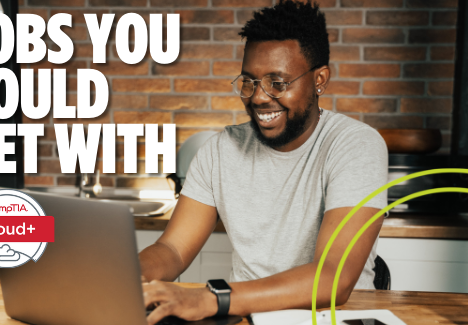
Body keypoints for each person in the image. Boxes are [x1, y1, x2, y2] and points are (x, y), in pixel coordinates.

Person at [140, 1, 388, 324]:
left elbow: (332, 278)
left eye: (277, 83)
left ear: (319, 80)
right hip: (245, 319)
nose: (258, 97)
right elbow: (172, 249)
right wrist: (129, 276)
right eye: (250, 81)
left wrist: (214, 298)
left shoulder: (356, 146)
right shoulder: (220, 151)